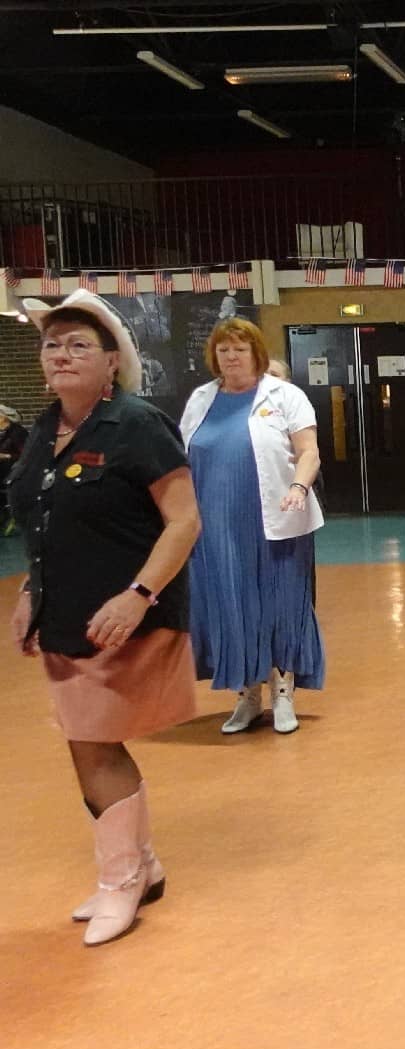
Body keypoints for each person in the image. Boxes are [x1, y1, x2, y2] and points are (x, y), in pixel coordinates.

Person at [10, 290, 200, 946]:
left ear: (112, 362)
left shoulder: (137, 424)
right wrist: (31, 591)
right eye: (52, 344)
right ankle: (138, 868)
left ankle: (123, 881)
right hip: (65, 616)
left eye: (77, 344)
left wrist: (138, 595)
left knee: (93, 741)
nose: (60, 354)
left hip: (125, 616)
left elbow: (184, 520)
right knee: (86, 742)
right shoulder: (42, 430)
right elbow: (42, 521)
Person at [180, 317, 325, 736]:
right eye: (224, 349)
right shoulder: (200, 400)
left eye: (239, 349)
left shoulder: (286, 396)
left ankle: (283, 692)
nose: (231, 356)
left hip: (277, 518)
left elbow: (309, 451)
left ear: (256, 354)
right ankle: (246, 695)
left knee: (279, 604)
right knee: (231, 606)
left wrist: (299, 486)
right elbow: (182, 457)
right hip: (216, 523)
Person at [0, 403, 26, 535]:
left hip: (11, 470)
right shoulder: (2, 432)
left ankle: (6, 515)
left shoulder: (18, 432)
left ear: (4, 417)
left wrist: (6, 455)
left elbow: (26, 455)